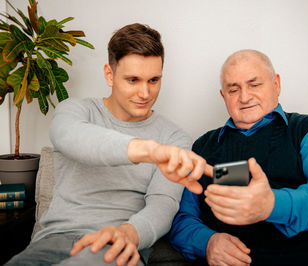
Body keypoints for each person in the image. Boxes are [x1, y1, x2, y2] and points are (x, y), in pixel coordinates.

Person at [6, 23, 212, 266]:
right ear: (109, 74)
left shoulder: (174, 138)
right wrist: (151, 151)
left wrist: (129, 234)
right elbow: (74, 138)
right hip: (51, 241)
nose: (145, 93)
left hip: (117, 246)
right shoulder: (76, 111)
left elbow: (162, 204)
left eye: (154, 80)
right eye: (133, 80)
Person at [169, 49, 308, 265]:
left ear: (276, 84)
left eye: (254, 85)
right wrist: (207, 242)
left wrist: (271, 205)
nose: (245, 97)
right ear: (223, 96)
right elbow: (182, 219)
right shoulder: (203, 147)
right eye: (233, 90)